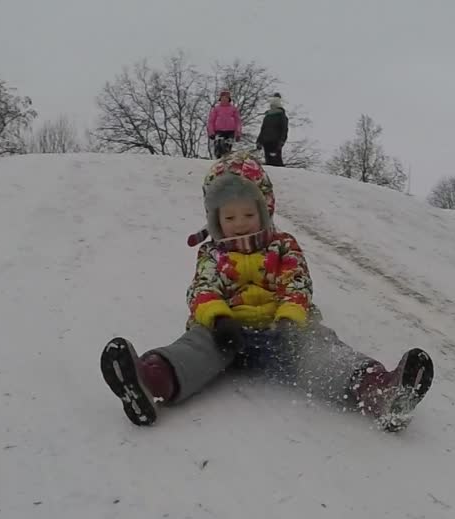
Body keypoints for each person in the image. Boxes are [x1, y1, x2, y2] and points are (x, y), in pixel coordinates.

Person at [100, 152, 434, 431]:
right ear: (215, 219)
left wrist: (290, 319)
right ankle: (149, 381)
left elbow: (297, 283)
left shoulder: (282, 246)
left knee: (321, 352)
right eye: (229, 216)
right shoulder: (212, 254)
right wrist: (217, 320)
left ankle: (380, 391)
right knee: (194, 349)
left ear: (265, 210)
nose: (240, 222)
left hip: (282, 331)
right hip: (226, 334)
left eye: (249, 213)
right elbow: (202, 289)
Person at [256, 92, 289, 167]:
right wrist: (259, 141)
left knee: (276, 160)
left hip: (275, 141)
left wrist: (282, 141)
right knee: (269, 161)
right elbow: (263, 129)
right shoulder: (267, 116)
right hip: (266, 141)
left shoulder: (281, 116)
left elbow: (284, 130)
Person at [206, 90, 242, 158]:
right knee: (219, 147)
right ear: (220, 99)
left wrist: (238, 133)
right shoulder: (216, 109)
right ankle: (218, 161)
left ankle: (226, 162)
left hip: (230, 131)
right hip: (219, 131)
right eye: (223, 98)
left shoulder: (233, 109)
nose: (224, 99)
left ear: (229, 99)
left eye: (226, 98)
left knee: (227, 149)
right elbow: (211, 121)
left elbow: (238, 122)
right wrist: (211, 132)